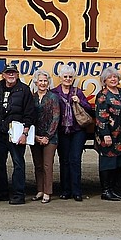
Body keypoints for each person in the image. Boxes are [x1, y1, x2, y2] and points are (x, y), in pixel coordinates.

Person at [0, 63, 36, 205]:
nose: (11, 75)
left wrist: (25, 133)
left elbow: (30, 113)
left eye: (13, 73)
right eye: (8, 73)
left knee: (18, 163)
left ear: (17, 75)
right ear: (3, 75)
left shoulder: (24, 90)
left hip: (16, 133)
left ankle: (18, 194)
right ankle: (2, 192)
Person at [53, 66, 93, 202]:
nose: (68, 79)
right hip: (61, 130)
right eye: (65, 77)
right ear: (60, 78)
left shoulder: (78, 92)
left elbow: (89, 109)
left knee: (75, 160)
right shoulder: (54, 93)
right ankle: (65, 190)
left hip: (77, 130)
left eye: (70, 77)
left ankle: (77, 191)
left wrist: (79, 101)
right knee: (64, 161)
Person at [94, 66, 121, 202]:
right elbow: (101, 116)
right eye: (110, 77)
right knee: (108, 163)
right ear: (104, 80)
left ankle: (117, 190)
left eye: (115, 77)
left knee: (120, 163)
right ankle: (106, 190)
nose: (113, 79)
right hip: (109, 135)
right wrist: (105, 134)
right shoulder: (102, 95)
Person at [30, 71, 60, 203]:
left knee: (47, 165)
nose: (42, 83)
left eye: (45, 81)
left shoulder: (53, 97)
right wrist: (35, 136)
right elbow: (29, 117)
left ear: (48, 83)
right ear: (36, 82)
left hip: (50, 137)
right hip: (35, 136)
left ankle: (48, 192)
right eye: (40, 81)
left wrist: (47, 136)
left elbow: (56, 117)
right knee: (38, 165)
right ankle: (39, 190)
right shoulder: (32, 97)